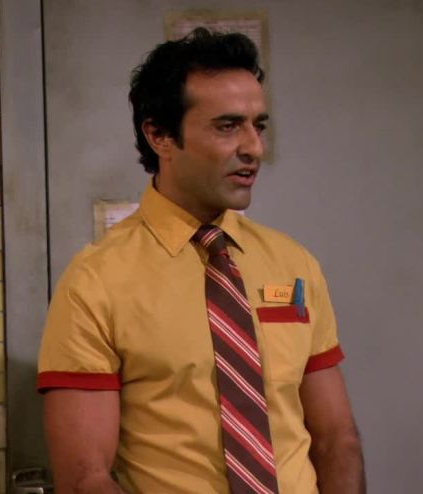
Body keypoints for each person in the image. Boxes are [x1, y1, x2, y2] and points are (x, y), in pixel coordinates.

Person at [37, 28, 365, 494]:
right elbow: (85, 478)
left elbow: (337, 438)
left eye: (258, 126)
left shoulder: (293, 264)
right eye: (227, 126)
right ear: (159, 135)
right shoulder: (96, 282)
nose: (254, 148)